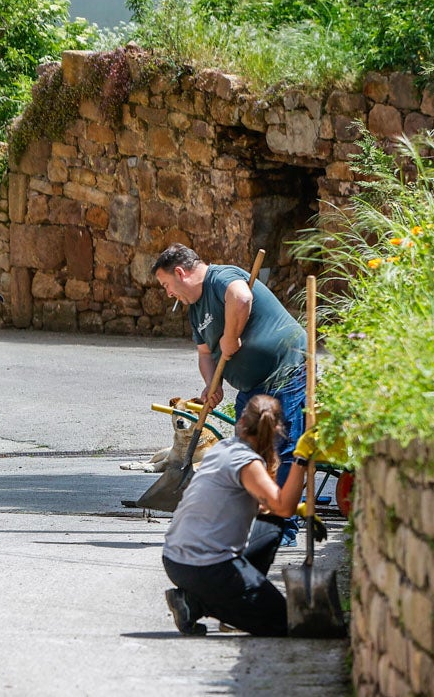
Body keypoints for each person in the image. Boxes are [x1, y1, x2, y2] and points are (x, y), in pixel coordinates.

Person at [152, 244, 308, 545]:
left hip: (285, 368)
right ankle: (252, 518)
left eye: (166, 285)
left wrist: (231, 335)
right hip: (252, 384)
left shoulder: (221, 277)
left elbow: (242, 297)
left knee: (280, 446)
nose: (168, 293)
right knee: (245, 450)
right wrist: (213, 385)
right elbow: (205, 354)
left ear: (181, 273)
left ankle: (280, 527)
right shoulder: (195, 311)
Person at [161, 395, 321, 637]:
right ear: (275, 429)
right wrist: (300, 459)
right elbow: (283, 507)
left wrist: (298, 508)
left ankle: (198, 601)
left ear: (242, 421)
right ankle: (205, 603)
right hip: (203, 567)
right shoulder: (247, 463)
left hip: (175, 559)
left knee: (272, 524)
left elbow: (269, 508)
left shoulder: (223, 448)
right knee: (288, 623)